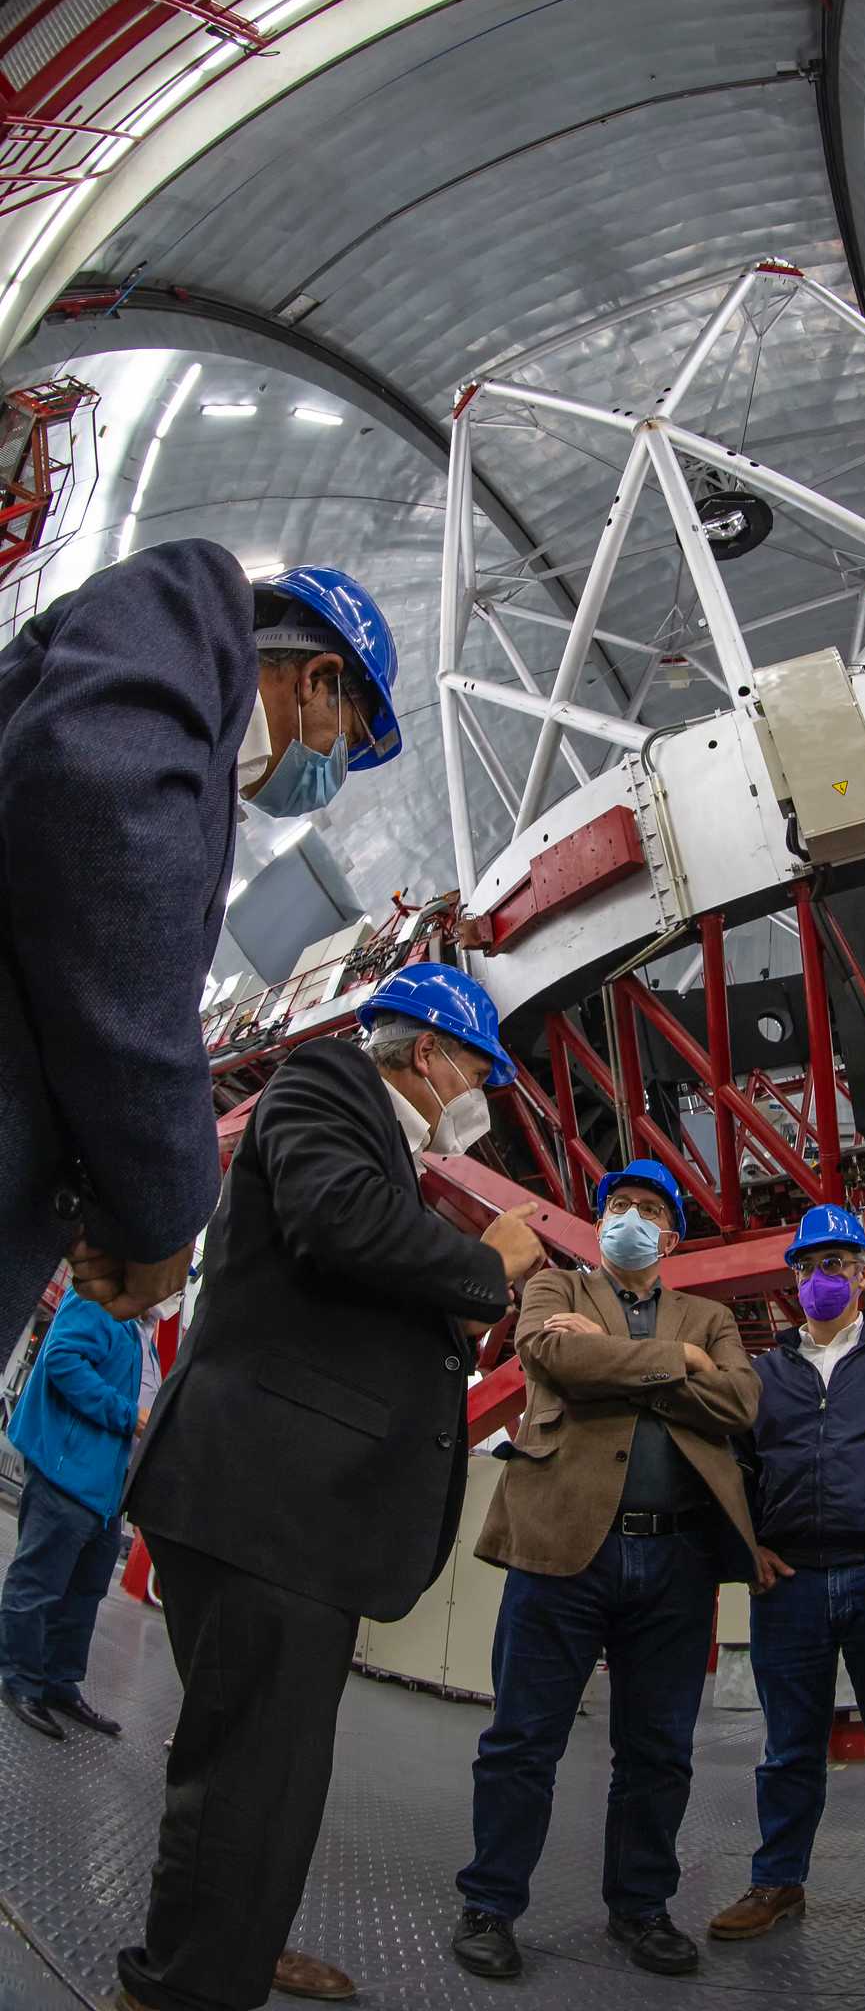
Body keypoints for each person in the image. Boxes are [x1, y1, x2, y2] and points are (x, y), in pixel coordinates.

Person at [113, 962, 544, 2011]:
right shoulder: (329, 1081)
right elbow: (338, 1218)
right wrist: (488, 1264)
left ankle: (233, 1943)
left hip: (289, 1506)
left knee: (267, 1768)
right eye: (480, 1072)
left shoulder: (377, 1140)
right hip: (269, 1498)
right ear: (429, 1053)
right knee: (249, 1774)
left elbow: (340, 1284)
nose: (482, 1098)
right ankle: (183, 1989)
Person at [0, 542, 403, 1348]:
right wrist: (170, 1203)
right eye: (347, 739)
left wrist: (116, 1203)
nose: (333, 769)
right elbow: (98, 838)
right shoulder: (199, 598)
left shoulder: (201, 779)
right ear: (318, 677)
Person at [453, 1159, 760, 1983]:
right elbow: (553, 1359)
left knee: (658, 1751)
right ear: (599, 1225)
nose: (631, 1217)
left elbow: (740, 1404)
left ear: (672, 1236)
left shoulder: (710, 1316)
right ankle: (489, 1905)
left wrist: (621, 1358)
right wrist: (681, 1363)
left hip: (678, 1559)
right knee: (523, 1739)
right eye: (618, 1205)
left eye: (649, 1208)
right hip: (561, 1545)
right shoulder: (555, 1289)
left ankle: (641, 1908)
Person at [709, 1205, 865, 1953]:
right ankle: (777, 1883)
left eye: (837, 1263)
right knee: (788, 1749)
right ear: (792, 1278)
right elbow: (734, 1469)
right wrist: (745, 1548)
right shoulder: (763, 1373)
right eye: (809, 1265)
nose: (822, 1277)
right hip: (788, 1586)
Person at [0, 1289, 148, 1739]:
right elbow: (62, 1359)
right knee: (38, 1582)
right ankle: (20, 1680)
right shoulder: (98, 1297)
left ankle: (58, 1681)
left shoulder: (135, 1325)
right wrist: (129, 1415)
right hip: (67, 1471)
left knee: (85, 1590)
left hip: (104, 1486)